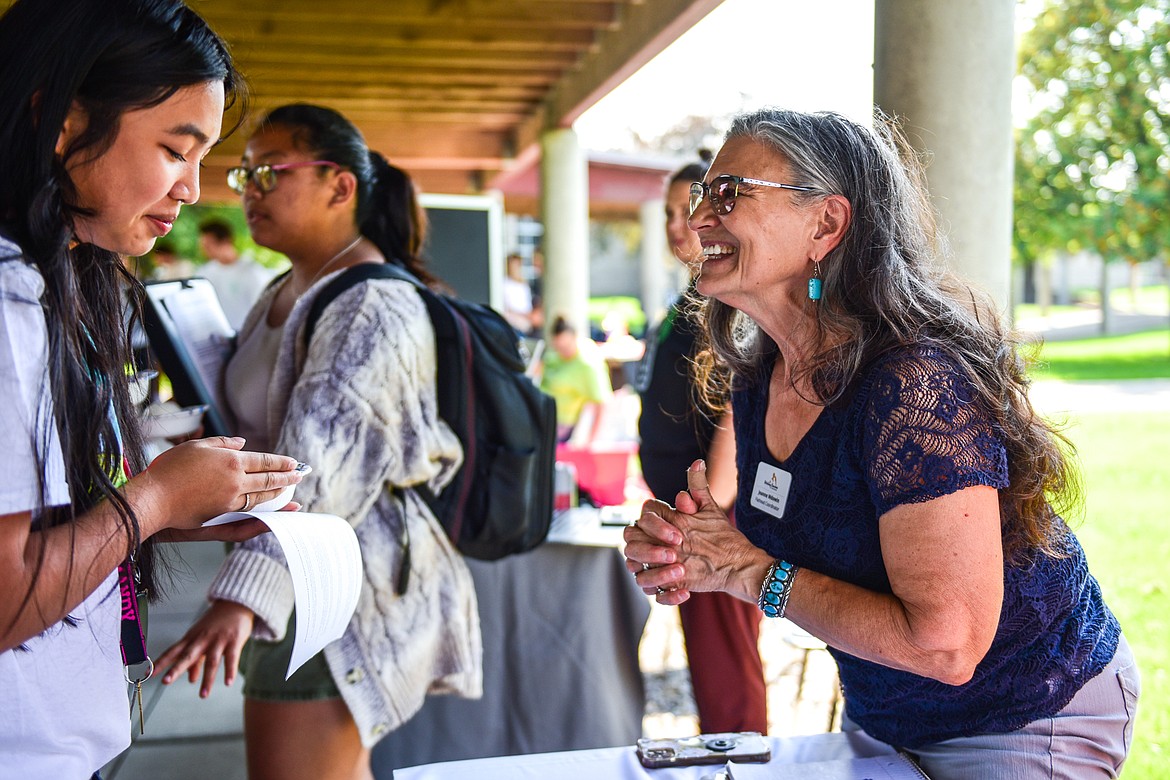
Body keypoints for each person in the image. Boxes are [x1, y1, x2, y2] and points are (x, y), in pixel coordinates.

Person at [624, 108, 1139, 776]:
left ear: (826, 225)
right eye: (701, 197)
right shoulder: (759, 380)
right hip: (884, 714)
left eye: (729, 194)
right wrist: (703, 551)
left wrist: (747, 571)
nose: (697, 220)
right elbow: (769, 545)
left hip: (1023, 715)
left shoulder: (913, 386)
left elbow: (946, 646)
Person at [0, 2, 305, 777]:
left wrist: (186, 512)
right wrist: (158, 501)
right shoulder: (9, 306)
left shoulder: (54, 284)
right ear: (62, 124)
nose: (197, 191)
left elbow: (45, 527)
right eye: (176, 149)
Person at [156, 104, 482, 780]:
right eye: (246, 173)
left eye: (270, 172)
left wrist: (238, 598)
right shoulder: (289, 287)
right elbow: (247, 423)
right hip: (298, 578)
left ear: (341, 186)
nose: (248, 189)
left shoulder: (371, 305)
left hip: (334, 595)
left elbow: (320, 472)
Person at [635, 157, 767, 734]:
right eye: (667, 212)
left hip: (717, 512)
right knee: (710, 664)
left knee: (726, 668)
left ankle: (742, 764)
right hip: (692, 510)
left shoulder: (729, 300)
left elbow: (736, 408)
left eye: (685, 209)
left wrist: (708, 509)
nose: (675, 224)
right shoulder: (694, 298)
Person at [541, 314, 612, 444]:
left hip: (562, 427)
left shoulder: (587, 363)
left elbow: (601, 403)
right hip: (541, 417)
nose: (562, 351)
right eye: (559, 347)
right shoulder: (553, 357)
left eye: (565, 347)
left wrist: (590, 442)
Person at [197, 217, 275, 331]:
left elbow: (263, 312)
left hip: (244, 336)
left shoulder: (253, 273)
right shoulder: (204, 273)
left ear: (226, 241)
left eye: (208, 245)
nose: (204, 250)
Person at [500, 251, 534, 334]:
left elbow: (527, 305)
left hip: (525, 323)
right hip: (511, 322)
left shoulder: (523, 284)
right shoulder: (504, 283)